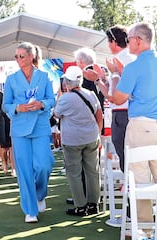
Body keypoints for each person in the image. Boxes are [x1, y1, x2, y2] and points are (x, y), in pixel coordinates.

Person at [106, 22, 157, 239]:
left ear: (137, 40)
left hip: (141, 125)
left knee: (139, 181)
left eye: (130, 39)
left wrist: (114, 74)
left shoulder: (135, 67)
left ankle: (144, 231)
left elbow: (118, 98)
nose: (127, 43)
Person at [2, 42, 55, 223]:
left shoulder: (44, 76)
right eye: (16, 56)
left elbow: (52, 99)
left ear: (31, 57)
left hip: (40, 125)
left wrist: (42, 104)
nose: (18, 59)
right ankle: (30, 210)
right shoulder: (11, 79)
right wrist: (17, 107)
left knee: (44, 165)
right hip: (19, 128)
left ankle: (40, 194)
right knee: (24, 170)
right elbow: (5, 105)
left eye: (21, 56)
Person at [83, 25, 136, 172]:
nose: (108, 45)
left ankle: (132, 186)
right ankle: (131, 185)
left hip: (124, 113)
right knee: (127, 155)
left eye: (108, 41)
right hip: (124, 112)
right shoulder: (129, 58)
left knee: (127, 156)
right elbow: (112, 92)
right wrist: (100, 80)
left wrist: (106, 77)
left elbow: (114, 96)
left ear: (113, 41)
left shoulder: (122, 60)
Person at [54, 66, 103, 216]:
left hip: (72, 140)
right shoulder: (91, 94)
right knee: (93, 171)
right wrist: (98, 133)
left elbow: (56, 114)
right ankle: (94, 204)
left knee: (74, 173)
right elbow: (99, 114)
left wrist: (60, 96)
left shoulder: (66, 98)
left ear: (67, 82)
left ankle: (80, 206)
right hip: (91, 137)